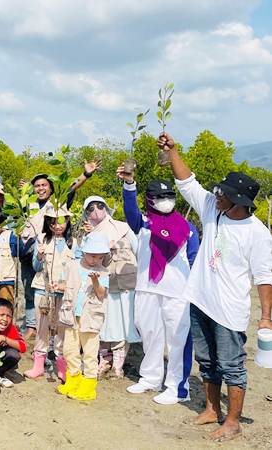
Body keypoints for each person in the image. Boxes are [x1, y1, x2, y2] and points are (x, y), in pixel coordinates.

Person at [160, 132, 272, 441]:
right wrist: (173, 152)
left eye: (223, 193)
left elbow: (264, 276)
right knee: (206, 361)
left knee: (232, 365)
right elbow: (187, 182)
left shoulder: (257, 233)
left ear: (239, 201)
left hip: (229, 309)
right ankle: (213, 409)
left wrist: (266, 317)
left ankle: (233, 422)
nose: (216, 195)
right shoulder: (212, 208)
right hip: (200, 299)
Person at [118, 166, 200, 405]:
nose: (166, 201)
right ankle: (150, 377)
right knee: (150, 333)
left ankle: (177, 387)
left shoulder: (188, 228)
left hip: (177, 292)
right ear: (150, 200)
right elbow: (130, 210)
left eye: (169, 196)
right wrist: (129, 184)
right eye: (160, 197)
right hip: (147, 288)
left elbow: (194, 259)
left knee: (178, 338)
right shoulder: (143, 223)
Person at [19, 160, 100, 340]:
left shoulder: (57, 202)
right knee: (30, 289)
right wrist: (23, 193)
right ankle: (32, 325)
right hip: (29, 252)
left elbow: (71, 187)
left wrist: (85, 174)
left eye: (44, 185)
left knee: (53, 289)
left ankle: (53, 327)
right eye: (37, 186)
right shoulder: (28, 203)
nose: (40, 189)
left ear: (51, 188)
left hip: (52, 251)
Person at [81, 195, 140, 378]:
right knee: (105, 323)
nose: (96, 210)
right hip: (104, 285)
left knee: (124, 324)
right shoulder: (86, 232)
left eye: (99, 206)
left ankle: (118, 365)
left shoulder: (123, 227)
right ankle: (104, 361)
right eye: (90, 208)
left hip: (127, 282)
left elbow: (138, 250)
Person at [57, 233, 110, 401]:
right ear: (85, 252)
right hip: (72, 315)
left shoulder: (103, 272)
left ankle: (88, 387)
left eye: (100, 257)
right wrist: (58, 286)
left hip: (91, 317)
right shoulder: (73, 265)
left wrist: (95, 281)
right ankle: (73, 380)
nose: (96, 260)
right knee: (69, 350)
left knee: (90, 351)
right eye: (93, 255)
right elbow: (67, 284)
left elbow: (102, 294)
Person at [25, 204, 75, 382]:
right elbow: (36, 267)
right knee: (42, 329)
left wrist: (65, 286)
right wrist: (38, 255)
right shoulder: (42, 239)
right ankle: (38, 365)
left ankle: (62, 366)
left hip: (64, 293)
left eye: (61, 222)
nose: (57, 226)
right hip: (43, 290)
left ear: (67, 221)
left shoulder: (74, 242)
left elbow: (76, 270)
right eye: (53, 223)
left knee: (62, 330)